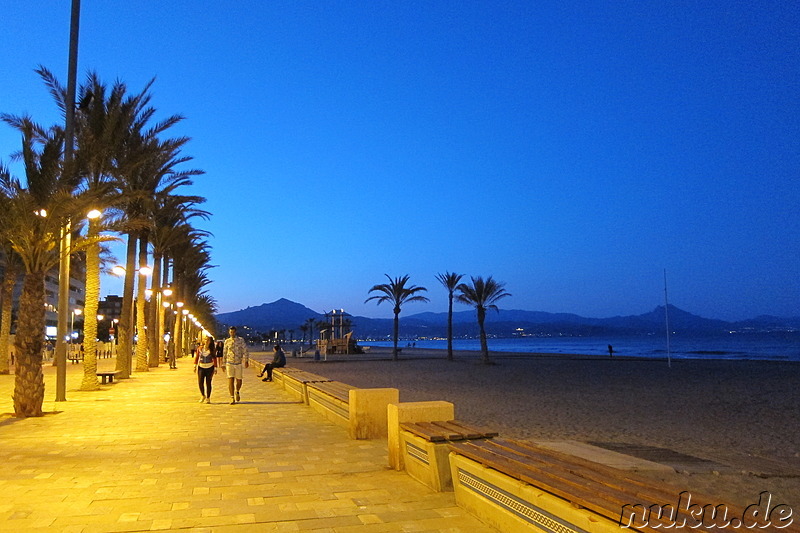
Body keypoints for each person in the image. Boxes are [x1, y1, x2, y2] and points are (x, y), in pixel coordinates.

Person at [222, 326, 249, 404]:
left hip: (238, 363)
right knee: (230, 379)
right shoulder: (227, 341)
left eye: (233, 332)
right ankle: (232, 397)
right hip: (229, 363)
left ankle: (237, 391)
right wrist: (223, 364)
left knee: (239, 380)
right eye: (231, 332)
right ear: (229, 332)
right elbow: (224, 353)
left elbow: (245, 350)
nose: (232, 333)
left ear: (235, 332)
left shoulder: (240, 340)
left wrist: (246, 360)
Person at [194, 335, 218, 403]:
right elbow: (197, 357)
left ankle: (208, 397)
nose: (206, 341)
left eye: (208, 340)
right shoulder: (200, 349)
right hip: (201, 366)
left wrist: (215, 368)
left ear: (210, 341)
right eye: (205, 340)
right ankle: (202, 395)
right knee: (200, 382)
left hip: (210, 367)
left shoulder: (212, 350)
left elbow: (214, 358)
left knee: (208, 382)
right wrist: (195, 365)